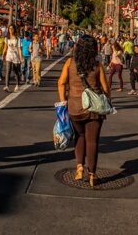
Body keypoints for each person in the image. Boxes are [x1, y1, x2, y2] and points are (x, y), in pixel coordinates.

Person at [57, 35, 110, 187]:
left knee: (79, 136)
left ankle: (79, 167)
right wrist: (107, 99)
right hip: (94, 109)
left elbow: (61, 83)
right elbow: (105, 88)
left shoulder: (70, 63)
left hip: (74, 107)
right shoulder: (97, 65)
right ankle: (92, 174)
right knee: (92, 141)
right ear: (94, 48)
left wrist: (63, 101)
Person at [3, 25, 24, 92]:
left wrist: (21, 58)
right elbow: (5, 47)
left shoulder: (17, 39)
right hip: (9, 56)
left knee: (16, 71)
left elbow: (19, 49)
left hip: (16, 57)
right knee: (8, 71)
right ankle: (7, 86)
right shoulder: (7, 38)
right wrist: (3, 55)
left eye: (12, 28)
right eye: (9, 28)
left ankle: (17, 85)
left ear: (14, 29)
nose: (10, 30)